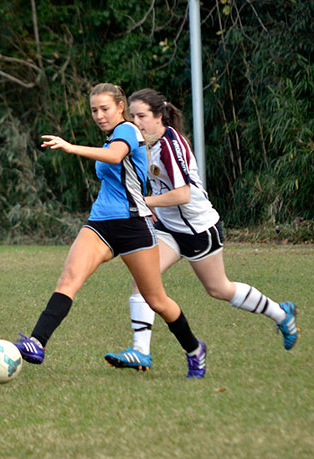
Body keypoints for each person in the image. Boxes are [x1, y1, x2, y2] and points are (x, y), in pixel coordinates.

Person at [14, 83, 208, 378]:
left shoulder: (129, 130)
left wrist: (70, 146)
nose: (99, 115)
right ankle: (37, 343)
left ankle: (195, 350)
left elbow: (116, 156)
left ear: (120, 107)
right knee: (69, 279)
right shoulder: (108, 139)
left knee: (156, 300)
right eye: (94, 110)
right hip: (101, 222)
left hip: (134, 225)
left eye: (105, 108)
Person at [104, 88, 299, 372]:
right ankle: (140, 351)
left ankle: (282, 314)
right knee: (142, 279)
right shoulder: (141, 144)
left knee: (219, 289)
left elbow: (182, 194)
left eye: (142, 116)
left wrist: (143, 202)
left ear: (159, 116)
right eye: (132, 116)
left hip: (198, 229)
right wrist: (152, 209)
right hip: (170, 230)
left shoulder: (170, 145)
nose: (136, 122)